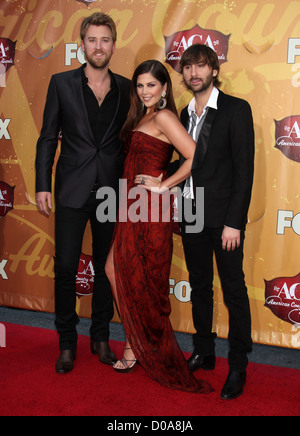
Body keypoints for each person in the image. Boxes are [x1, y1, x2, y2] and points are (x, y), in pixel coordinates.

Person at [104, 60, 213, 394]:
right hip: (130, 204)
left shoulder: (164, 116)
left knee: (143, 278)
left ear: (165, 88)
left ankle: (134, 345)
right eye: (140, 85)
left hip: (150, 209)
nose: (145, 91)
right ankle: (135, 341)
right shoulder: (141, 116)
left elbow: (197, 156)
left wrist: (163, 184)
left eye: (151, 85)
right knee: (116, 270)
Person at [35, 12, 131, 374]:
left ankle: (102, 338)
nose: (99, 46)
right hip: (71, 189)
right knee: (64, 267)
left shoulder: (126, 87)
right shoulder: (61, 84)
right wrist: (43, 183)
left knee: (107, 267)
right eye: (92, 40)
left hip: (111, 191)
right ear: (82, 44)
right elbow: (48, 137)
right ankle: (66, 343)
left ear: (113, 44)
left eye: (105, 40)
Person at [178, 44, 255, 400]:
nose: (195, 73)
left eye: (201, 66)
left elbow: (244, 172)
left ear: (213, 69)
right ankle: (204, 351)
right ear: (183, 74)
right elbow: (182, 168)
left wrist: (234, 223)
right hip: (192, 213)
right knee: (199, 286)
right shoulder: (181, 114)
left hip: (224, 219)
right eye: (189, 67)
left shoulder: (236, 110)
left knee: (234, 290)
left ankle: (238, 363)